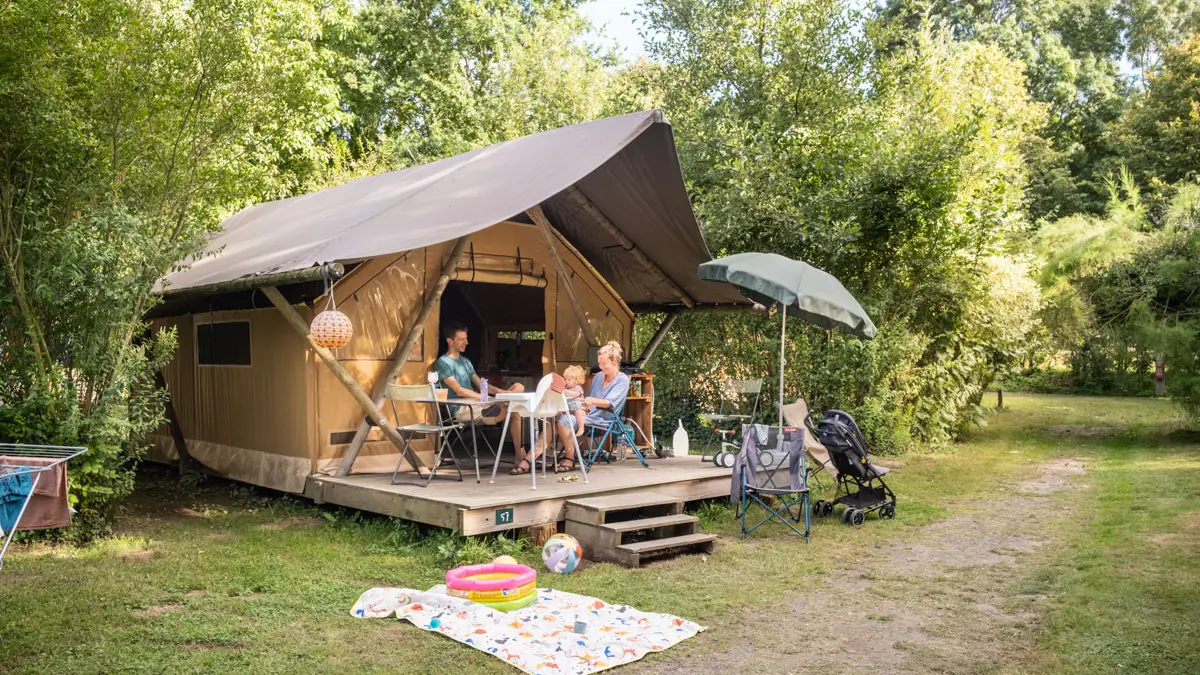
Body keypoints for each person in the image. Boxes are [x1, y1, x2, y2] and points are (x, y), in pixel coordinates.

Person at [433, 323, 528, 471]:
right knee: (514, 410)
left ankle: (520, 456)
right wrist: (486, 399)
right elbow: (459, 391)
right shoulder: (443, 363)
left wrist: (501, 393)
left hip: (479, 405)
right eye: (461, 339)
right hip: (462, 409)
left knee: (518, 388)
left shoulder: (465, 362)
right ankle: (520, 456)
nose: (466, 342)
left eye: (466, 339)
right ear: (450, 341)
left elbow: (481, 383)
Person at [542, 341, 629, 472]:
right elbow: (587, 399)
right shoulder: (599, 376)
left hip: (602, 419)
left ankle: (570, 457)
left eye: (603, 364)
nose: (600, 367)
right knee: (553, 419)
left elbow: (609, 403)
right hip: (587, 414)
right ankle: (532, 457)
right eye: (599, 363)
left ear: (614, 363)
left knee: (564, 421)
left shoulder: (622, 380)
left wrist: (591, 401)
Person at [562, 365, 587, 437]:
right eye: (566, 379)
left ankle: (581, 428)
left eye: (569, 380)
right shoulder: (566, 388)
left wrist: (566, 391)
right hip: (570, 408)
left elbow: (575, 394)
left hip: (580, 408)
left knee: (578, 411)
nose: (566, 381)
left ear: (576, 381)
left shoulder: (577, 388)